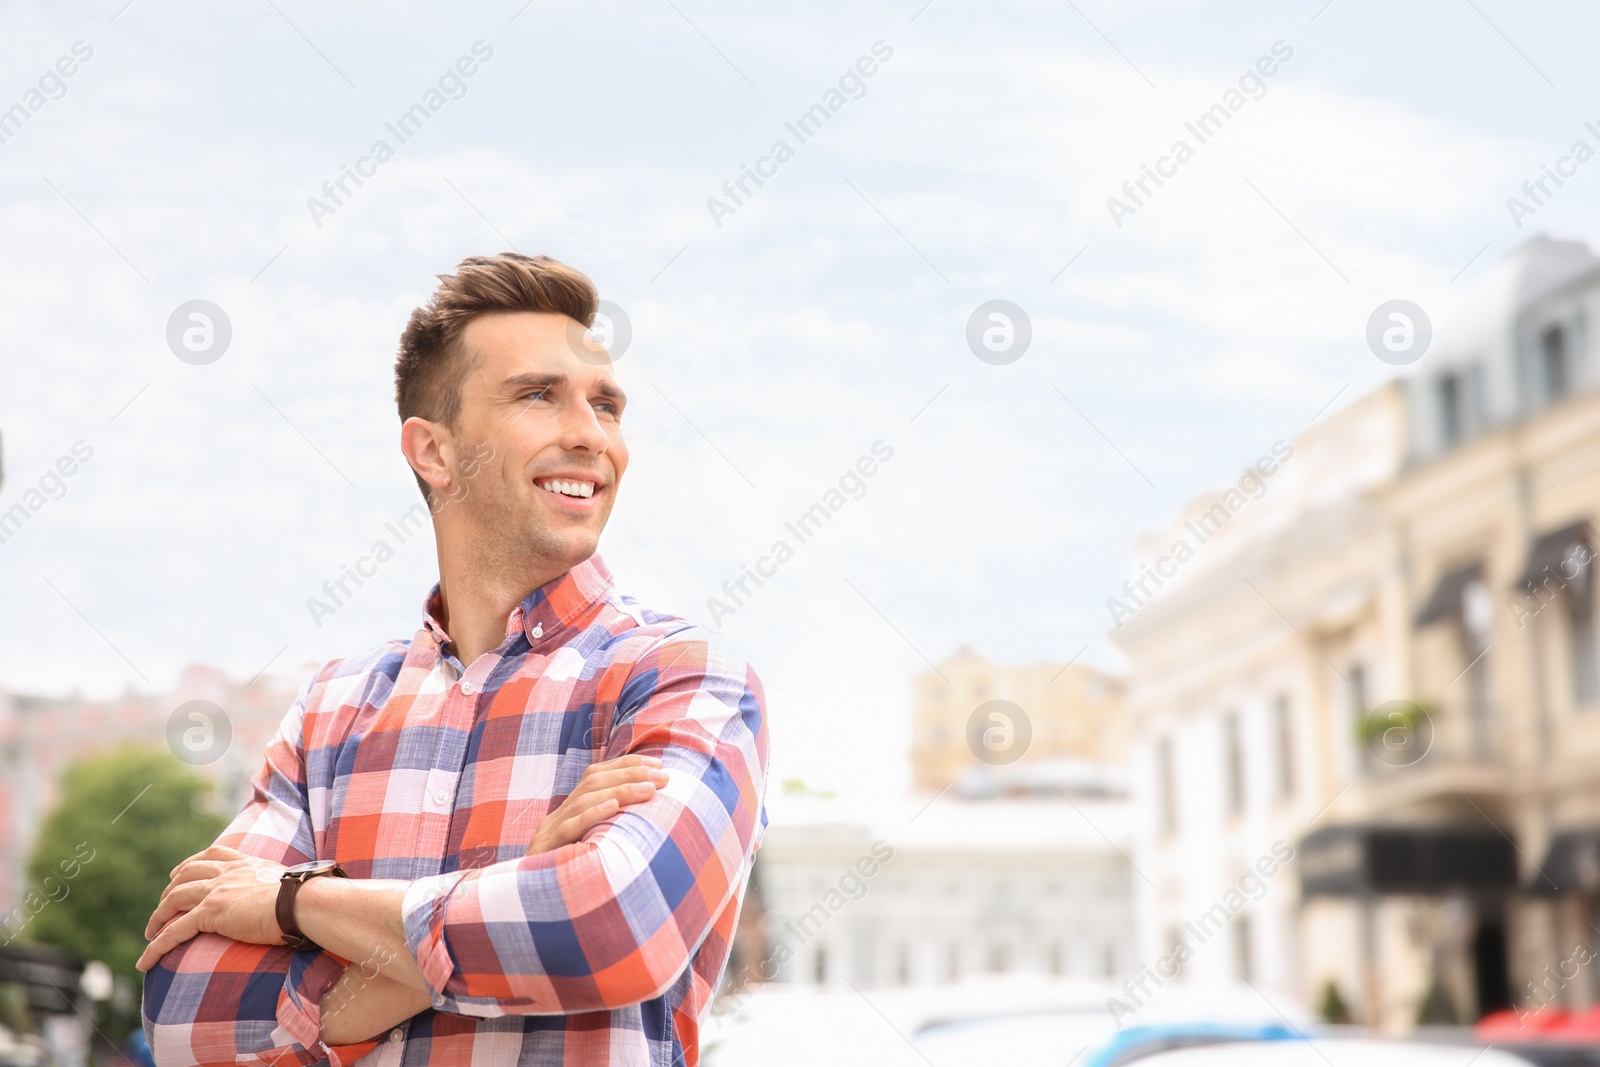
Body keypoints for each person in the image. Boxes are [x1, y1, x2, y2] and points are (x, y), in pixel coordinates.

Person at [136, 253, 769, 1066]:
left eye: (606, 405)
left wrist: (297, 904)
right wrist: (523, 881)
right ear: (433, 451)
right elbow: (186, 1012)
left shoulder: (682, 677)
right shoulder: (331, 709)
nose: (591, 434)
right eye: (539, 394)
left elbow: (610, 928)